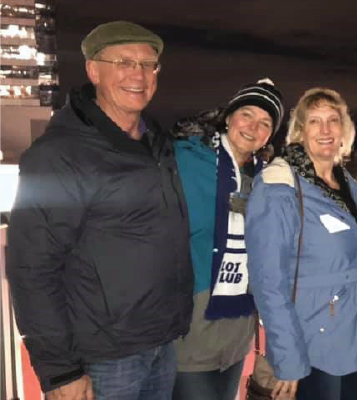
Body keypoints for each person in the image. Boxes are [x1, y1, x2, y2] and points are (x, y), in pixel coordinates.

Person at [6, 21, 192, 400]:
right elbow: (32, 269)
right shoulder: (60, 155)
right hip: (103, 359)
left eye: (148, 65)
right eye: (124, 62)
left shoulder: (157, 145)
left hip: (161, 344)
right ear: (93, 69)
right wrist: (60, 371)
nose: (138, 75)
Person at [246, 88, 357, 400]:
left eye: (334, 120)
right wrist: (289, 358)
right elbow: (268, 281)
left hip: (352, 338)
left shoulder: (346, 182)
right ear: (300, 131)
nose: (326, 130)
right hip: (309, 344)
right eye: (315, 121)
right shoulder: (280, 186)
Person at [170, 78, 285, 400]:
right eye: (247, 114)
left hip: (236, 334)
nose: (253, 127)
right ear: (229, 116)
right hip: (190, 326)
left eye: (265, 123)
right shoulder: (186, 159)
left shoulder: (266, 177)